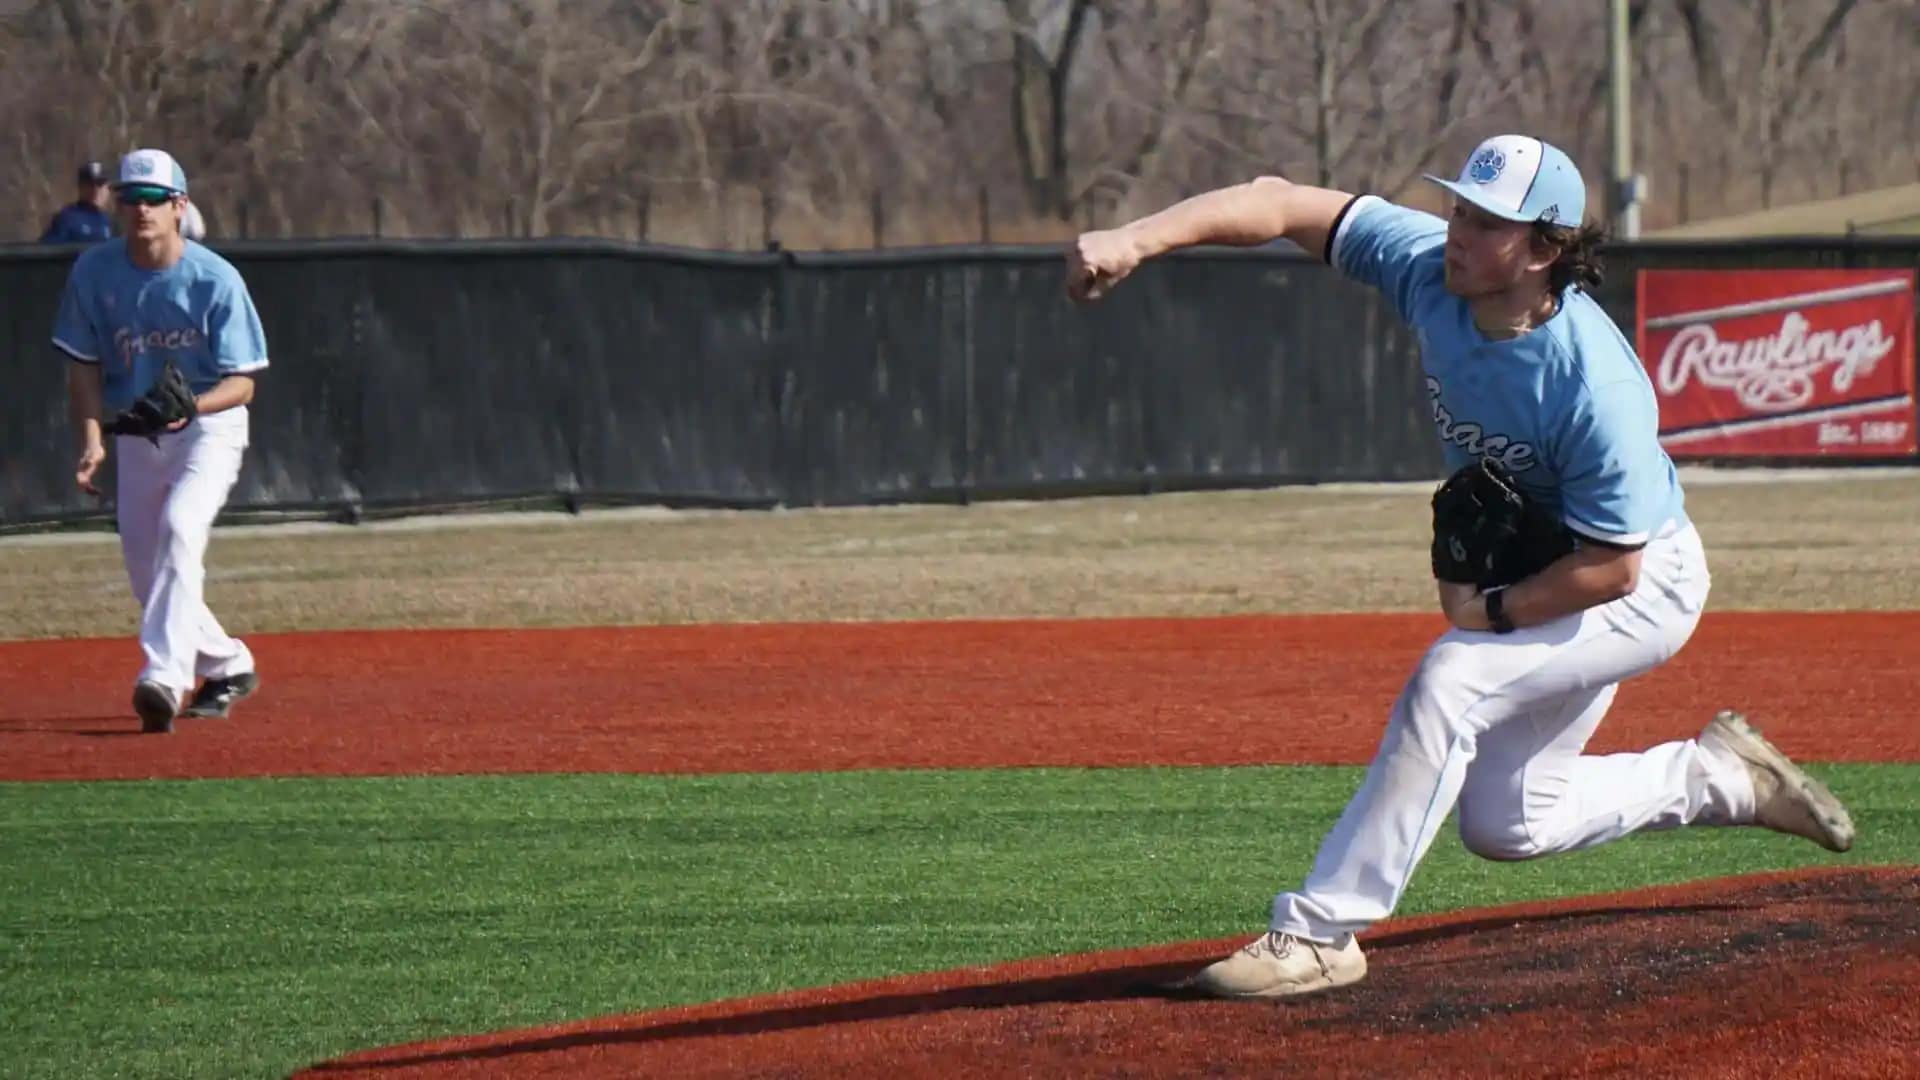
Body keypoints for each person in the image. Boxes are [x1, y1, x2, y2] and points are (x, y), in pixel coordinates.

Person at [1066, 134, 1856, 999]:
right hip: (1567, 561)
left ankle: (1324, 931)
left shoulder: (1596, 387)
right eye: (1459, 210)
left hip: (1640, 581)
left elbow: (1615, 570)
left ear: (1544, 250)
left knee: (1454, 679)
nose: (1458, 233)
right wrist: (1135, 238)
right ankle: (1719, 778)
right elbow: (1280, 200)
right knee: (1512, 820)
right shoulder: (1427, 269)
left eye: (1488, 223)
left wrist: (1495, 612)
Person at [52, 148, 267, 734]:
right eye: (130, 199)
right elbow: (83, 367)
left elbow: (244, 382)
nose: (140, 210)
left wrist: (192, 406)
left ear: (179, 207)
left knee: (180, 528)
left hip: (209, 429)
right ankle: (228, 663)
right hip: (139, 433)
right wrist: (92, 441)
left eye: (154, 200)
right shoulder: (95, 272)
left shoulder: (215, 278)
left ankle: (165, 679)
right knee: (149, 575)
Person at [39, 160, 115, 244]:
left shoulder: (110, 222)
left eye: (100, 185)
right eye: (89, 185)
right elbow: (46, 251)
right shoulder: (68, 218)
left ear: (108, 189)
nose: (95, 190)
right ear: (80, 187)